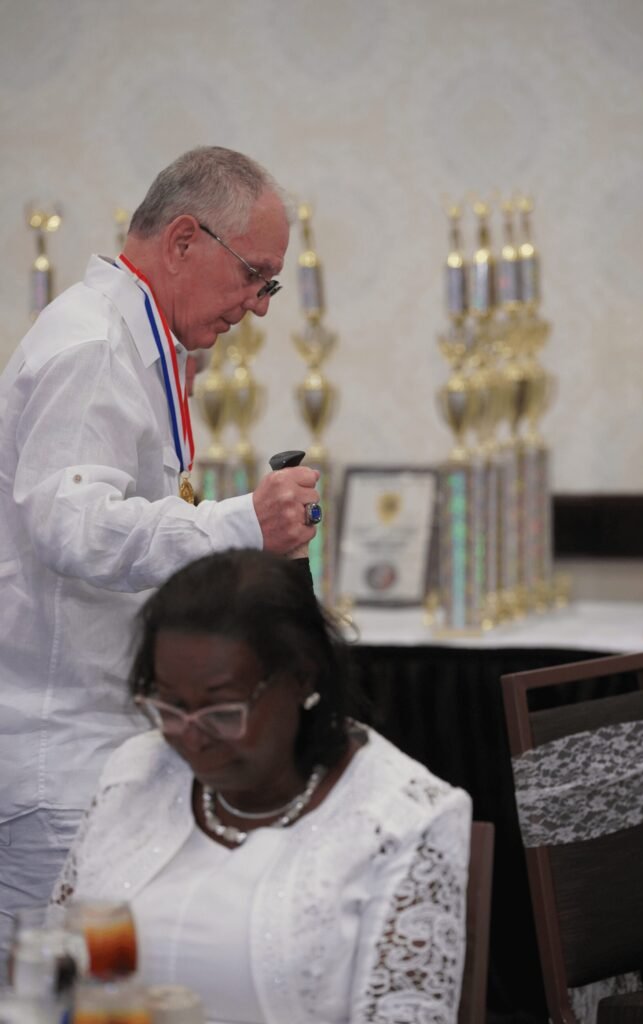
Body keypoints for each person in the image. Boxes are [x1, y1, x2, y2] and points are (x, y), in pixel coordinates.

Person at [0, 146, 320, 959]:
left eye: (270, 285)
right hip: (59, 756)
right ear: (183, 239)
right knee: (66, 994)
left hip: (91, 738)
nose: (258, 307)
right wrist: (241, 524)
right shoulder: (93, 347)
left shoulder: (135, 343)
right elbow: (71, 527)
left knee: (101, 987)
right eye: (254, 275)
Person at [54, 549, 472, 1024]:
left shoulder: (400, 820)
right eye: (170, 706)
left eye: (222, 711)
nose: (192, 737)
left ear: (301, 678)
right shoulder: (139, 772)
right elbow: (57, 965)